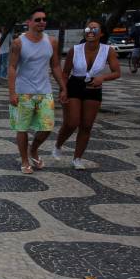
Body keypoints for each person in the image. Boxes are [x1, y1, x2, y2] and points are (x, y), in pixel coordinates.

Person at [53, 19, 121, 169]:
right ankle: (58, 144)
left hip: (94, 88)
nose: (90, 32)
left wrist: (102, 78)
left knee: (86, 125)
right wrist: (62, 90)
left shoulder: (107, 50)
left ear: (101, 33)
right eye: (88, 29)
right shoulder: (75, 50)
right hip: (74, 86)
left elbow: (117, 72)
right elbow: (65, 73)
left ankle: (77, 158)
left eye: (94, 29)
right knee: (72, 122)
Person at [8, 7, 67, 174]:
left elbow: (55, 65)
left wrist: (63, 87)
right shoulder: (19, 43)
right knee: (22, 128)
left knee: (47, 127)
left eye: (44, 19)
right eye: (38, 19)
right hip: (23, 92)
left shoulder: (51, 41)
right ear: (29, 23)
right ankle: (25, 160)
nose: (42, 22)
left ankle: (33, 149)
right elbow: (12, 67)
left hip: (44, 91)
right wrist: (12, 92)